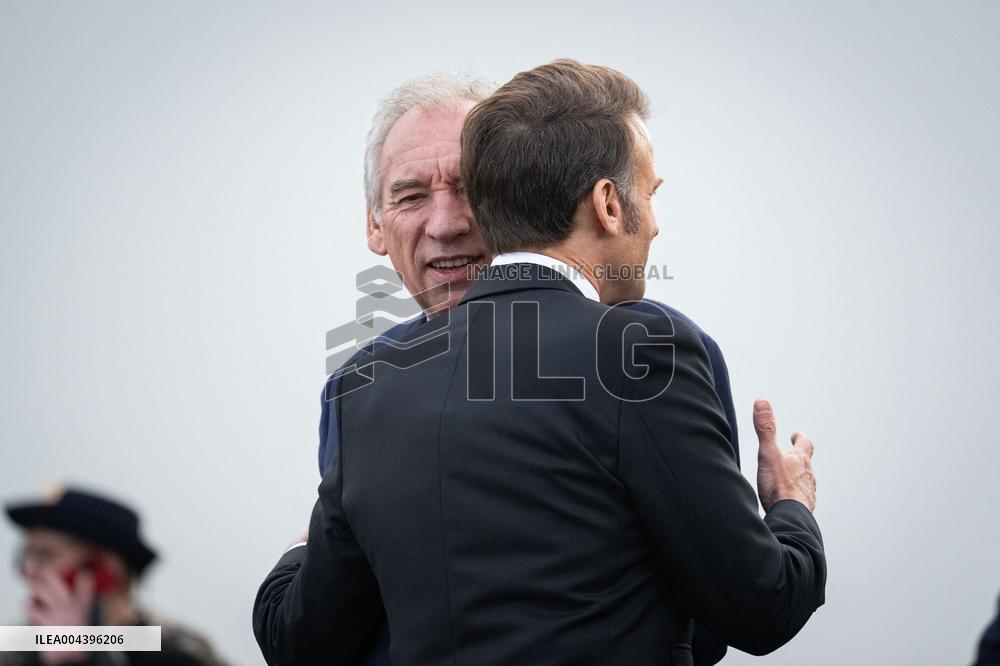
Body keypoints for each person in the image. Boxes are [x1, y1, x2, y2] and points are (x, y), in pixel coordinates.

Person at [255, 61, 825, 664]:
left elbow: (705, 619)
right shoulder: (357, 386)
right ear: (374, 223)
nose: (446, 224)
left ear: (510, 196)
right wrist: (791, 508)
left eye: (469, 189)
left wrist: (302, 552)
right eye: (411, 195)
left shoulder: (644, 347)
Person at [2, 486, 228, 666]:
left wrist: (73, 660)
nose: (29, 572)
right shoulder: (19, 646)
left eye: (45, 555)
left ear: (103, 569)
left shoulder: (174, 651)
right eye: (25, 556)